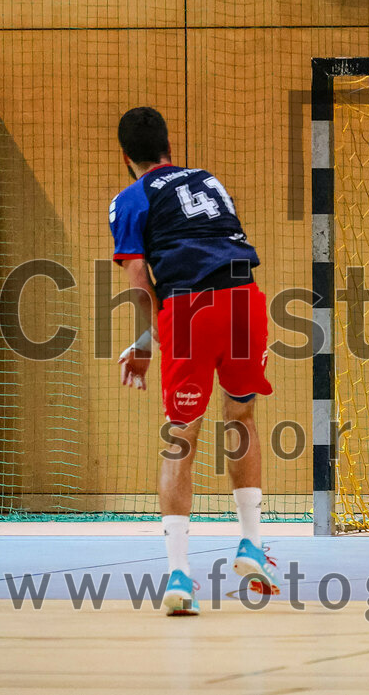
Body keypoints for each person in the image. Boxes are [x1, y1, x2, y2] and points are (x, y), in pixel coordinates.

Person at [110, 107, 279, 614]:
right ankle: (251, 542)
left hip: (188, 307)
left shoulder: (129, 199)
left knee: (180, 435)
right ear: (168, 147)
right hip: (245, 298)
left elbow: (139, 281)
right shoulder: (208, 180)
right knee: (242, 414)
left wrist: (143, 346)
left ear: (126, 158)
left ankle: (179, 576)